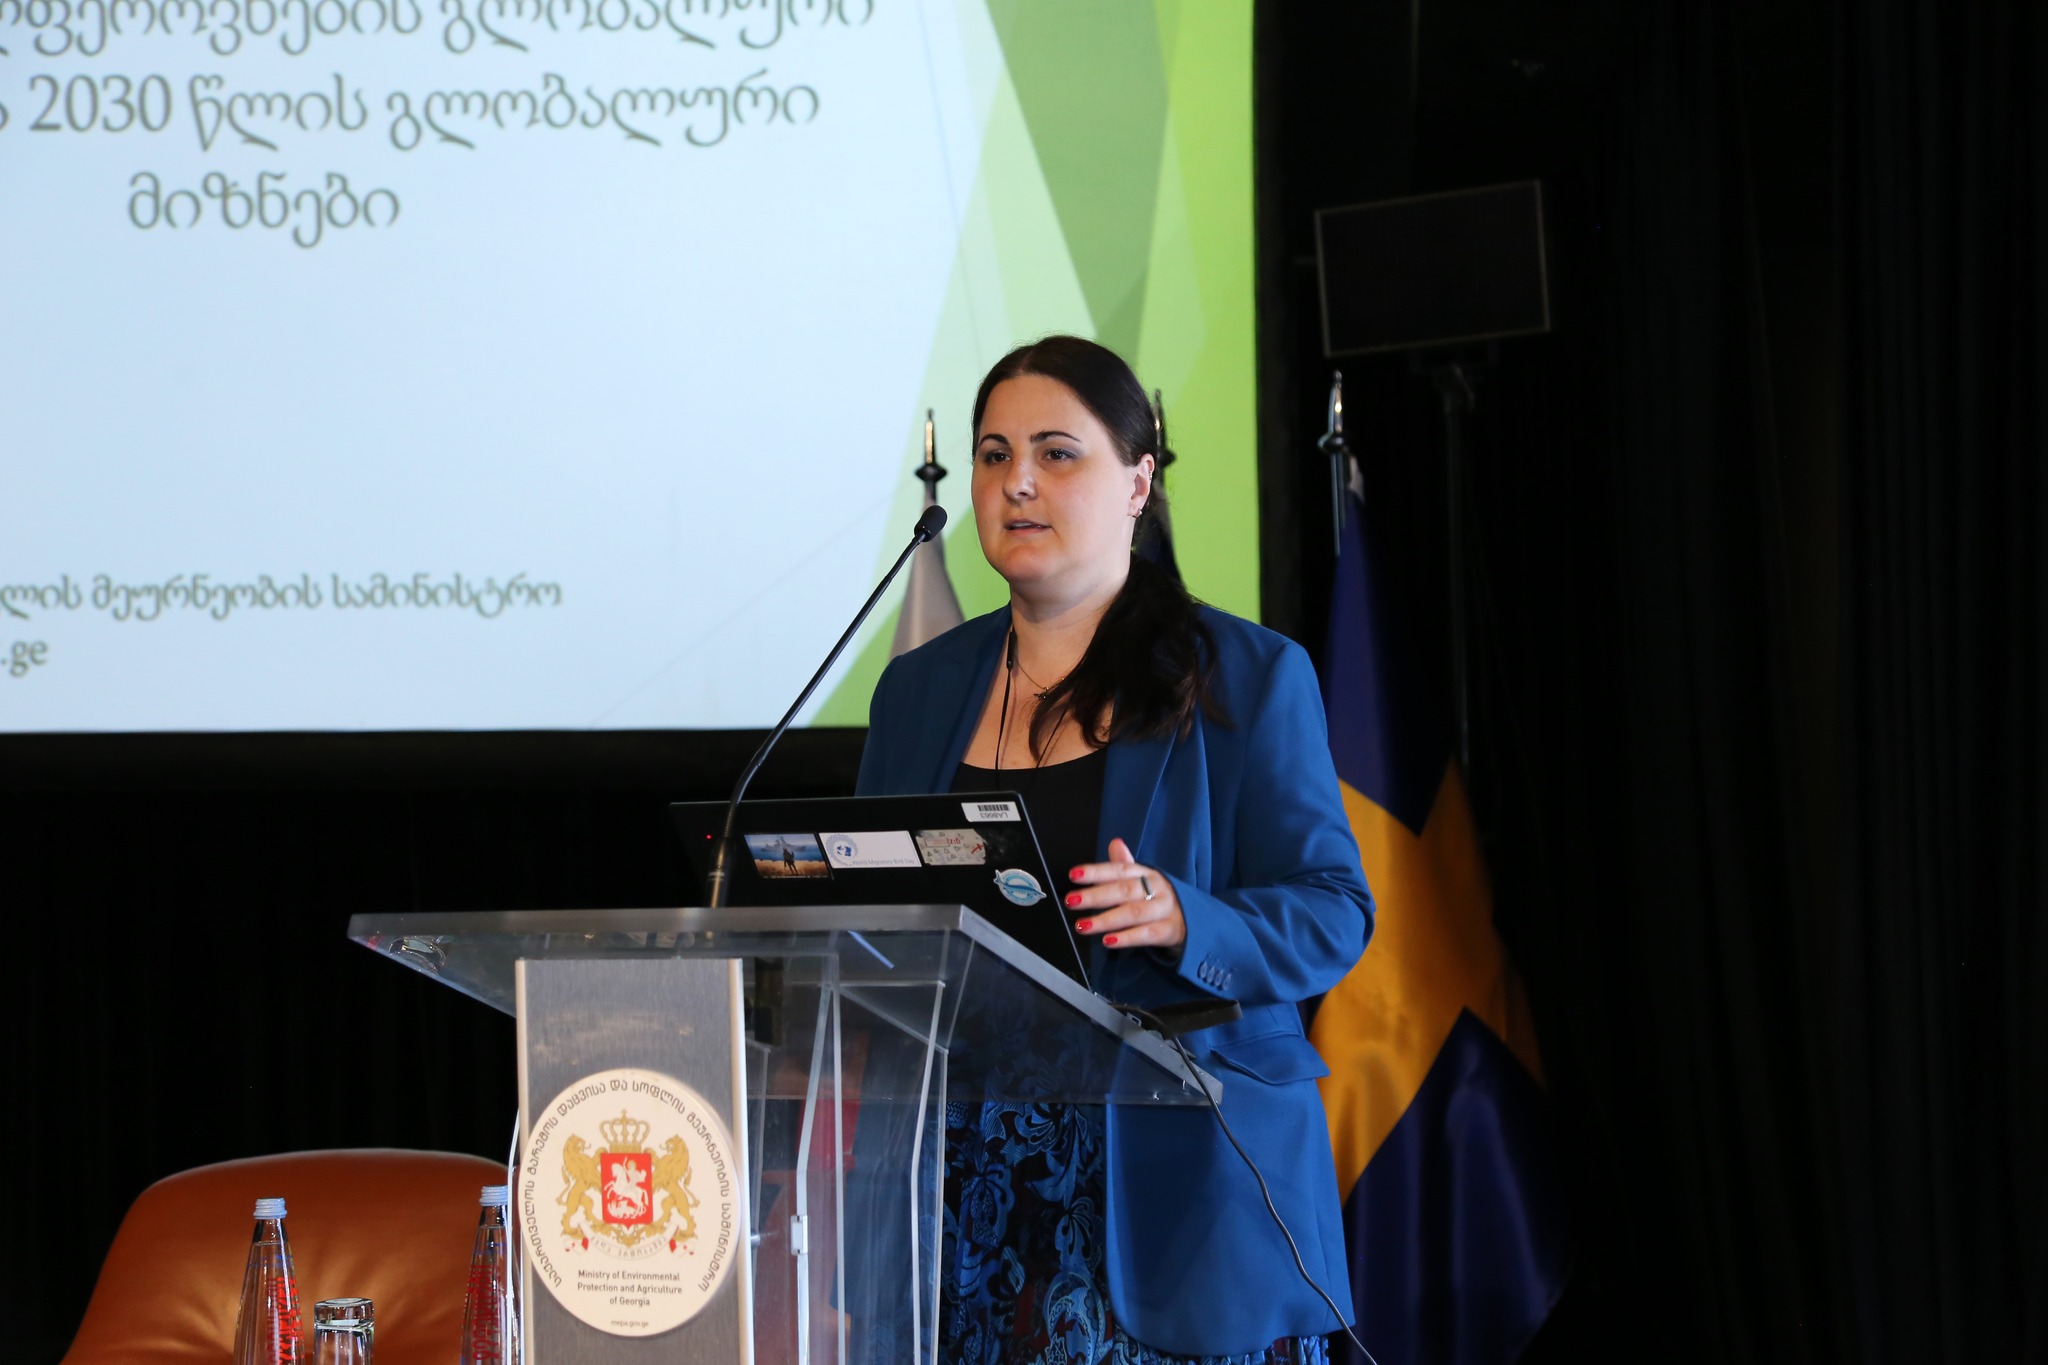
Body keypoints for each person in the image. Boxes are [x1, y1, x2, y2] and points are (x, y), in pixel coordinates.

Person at [857, 336, 1374, 1364]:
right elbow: (873, 926)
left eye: (1057, 453)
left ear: (1137, 485)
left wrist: (1189, 919)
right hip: (959, 1193)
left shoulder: (1246, 676)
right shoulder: (918, 689)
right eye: (994, 455)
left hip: (1180, 1187)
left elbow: (1333, 911)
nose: (1017, 482)